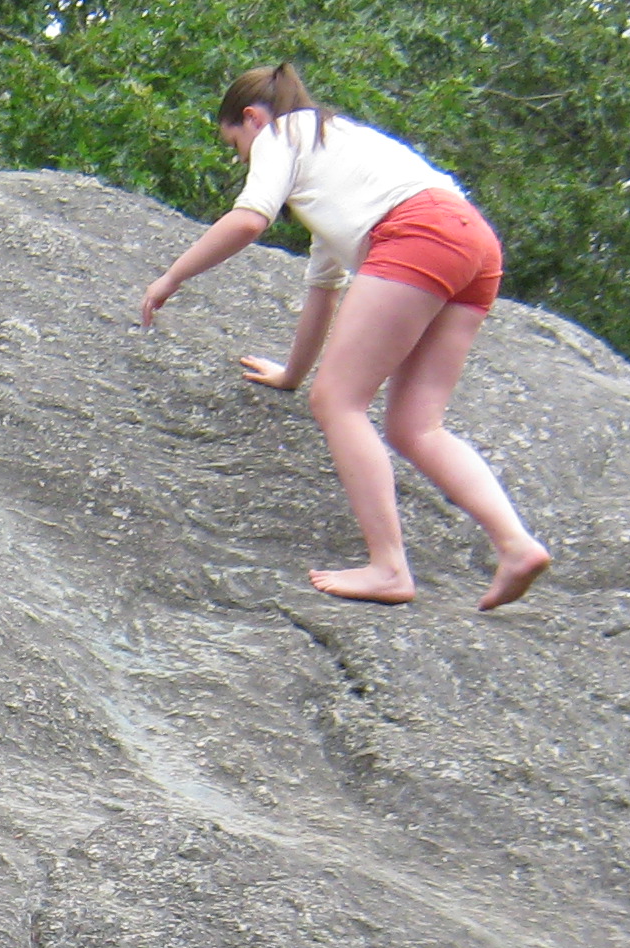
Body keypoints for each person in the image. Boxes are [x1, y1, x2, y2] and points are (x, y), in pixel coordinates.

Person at [138, 64, 551, 612]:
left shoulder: (281, 135)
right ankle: (517, 545)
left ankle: (388, 568)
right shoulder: (339, 159)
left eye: (234, 142)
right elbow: (323, 295)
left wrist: (172, 277)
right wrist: (291, 374)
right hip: (472, 241)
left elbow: (248, 219)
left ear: (252, 118)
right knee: (416, 427)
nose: (240, 156)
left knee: (339, 402)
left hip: (417, 233)